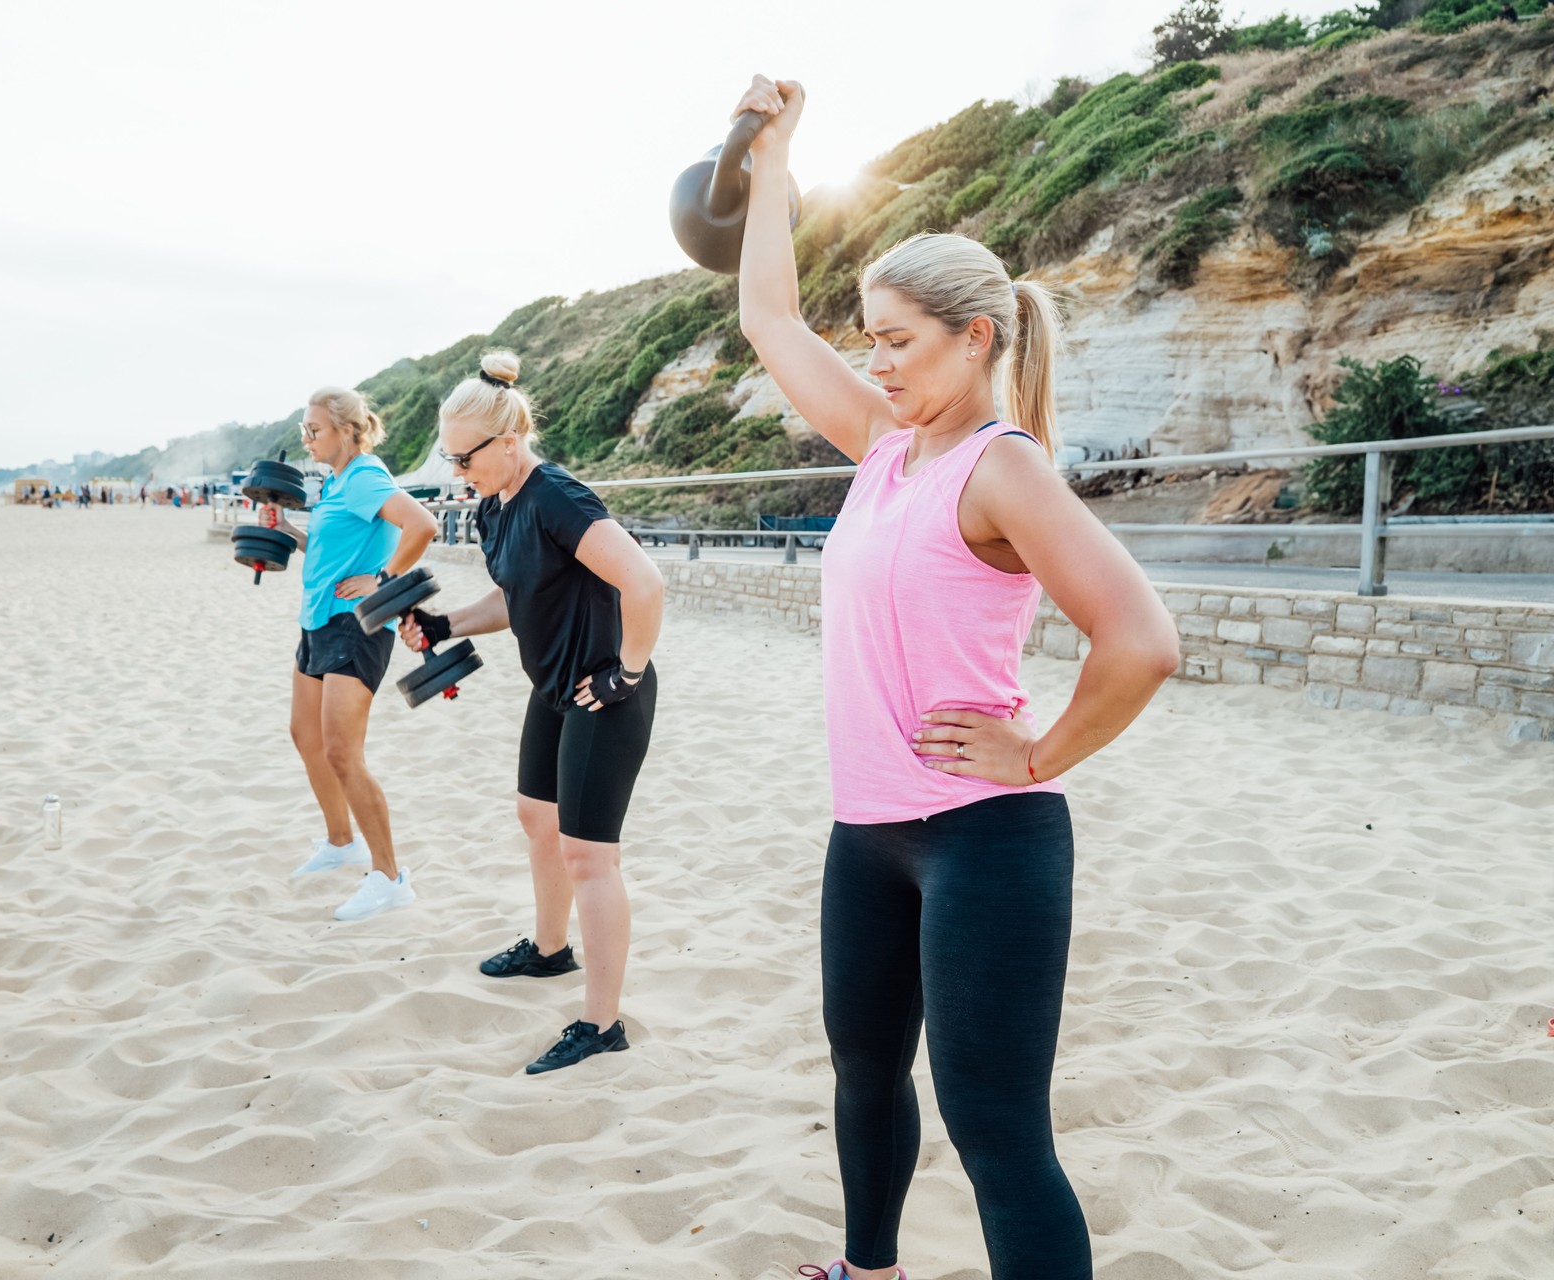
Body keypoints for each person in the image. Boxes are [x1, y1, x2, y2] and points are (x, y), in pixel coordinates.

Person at [733, 76, 1180, 1280]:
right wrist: (779, 158)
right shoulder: (888, 453)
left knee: (998, 1130)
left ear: (974, 337)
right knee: (864, 1073)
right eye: (869, 338)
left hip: (987, 838)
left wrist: (1038, 753)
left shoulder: (1000, 469)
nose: (875, 362)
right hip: (868, 830)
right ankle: (868, 1270)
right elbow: (772, 321)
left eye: (897, 341)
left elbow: (1141, 640)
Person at [400, 352, 665, 1075]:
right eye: (451, 459)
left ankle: (602, 1023)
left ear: (508, 443)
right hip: (553, 686)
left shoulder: (557, 499)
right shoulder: (496, 505)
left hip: (604, 692)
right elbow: (516, 600)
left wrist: (626, 672)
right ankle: (550, 951)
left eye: (464, 458)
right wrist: (445, 624)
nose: (458, 471)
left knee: (589, 854)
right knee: (534, 815)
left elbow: (645, 582)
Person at [273, 388, 437, 921]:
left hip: (356, 627)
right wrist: (291, 531)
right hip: (317, 620)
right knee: (306, 736)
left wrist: (383, 581)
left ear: (346, 430)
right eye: (304, 430)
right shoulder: (336, 482)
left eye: (314, 429)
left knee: (343, 752)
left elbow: (422, 525)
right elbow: (329, 550)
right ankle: (342, 842)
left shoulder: (365, 475)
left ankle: (389, 877)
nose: (307, 438)